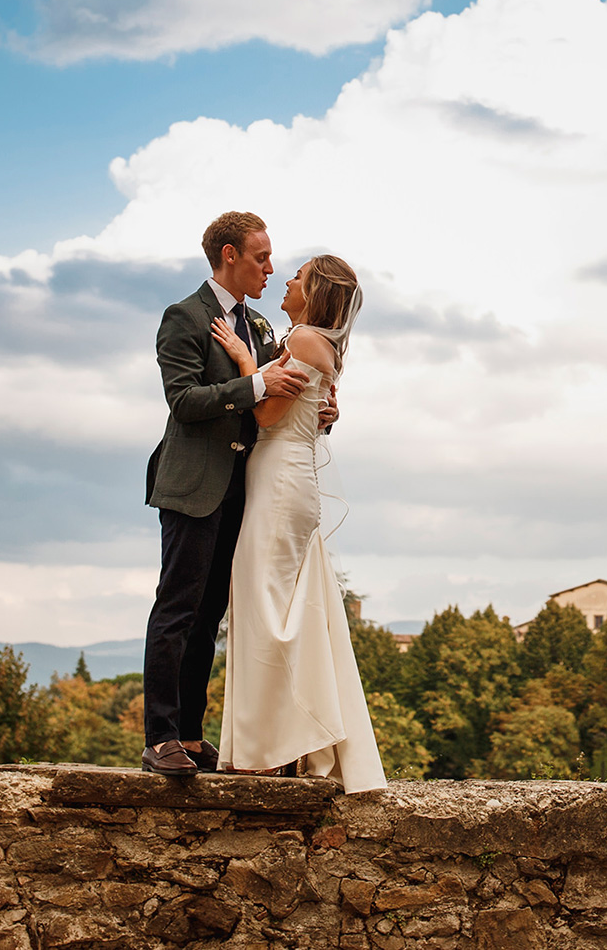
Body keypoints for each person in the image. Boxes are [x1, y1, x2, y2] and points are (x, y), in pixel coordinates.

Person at [140, 212, 320, 777]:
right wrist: (258, 381)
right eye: (261, 257)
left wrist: (319, 411)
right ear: (228, 256)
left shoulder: (263, 328)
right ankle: (159, 739)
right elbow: (185, 401)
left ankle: (191, 738)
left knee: (210, 614)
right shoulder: (184, 317)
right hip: (193, 484)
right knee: (177, 608)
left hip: (244, 491)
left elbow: (271, 408)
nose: (270, 267)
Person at [209, 253, 386, 791]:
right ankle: (278, 743)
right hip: (280, 476)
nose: (285, 279)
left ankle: (272, 749)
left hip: (281, 480)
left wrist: (244, 361)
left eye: (297, 276)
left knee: (266, 609)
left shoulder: (306, 342)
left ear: (314, 292)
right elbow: (309, 408)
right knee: (277, 609)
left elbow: (266, 415)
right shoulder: (304, 341)